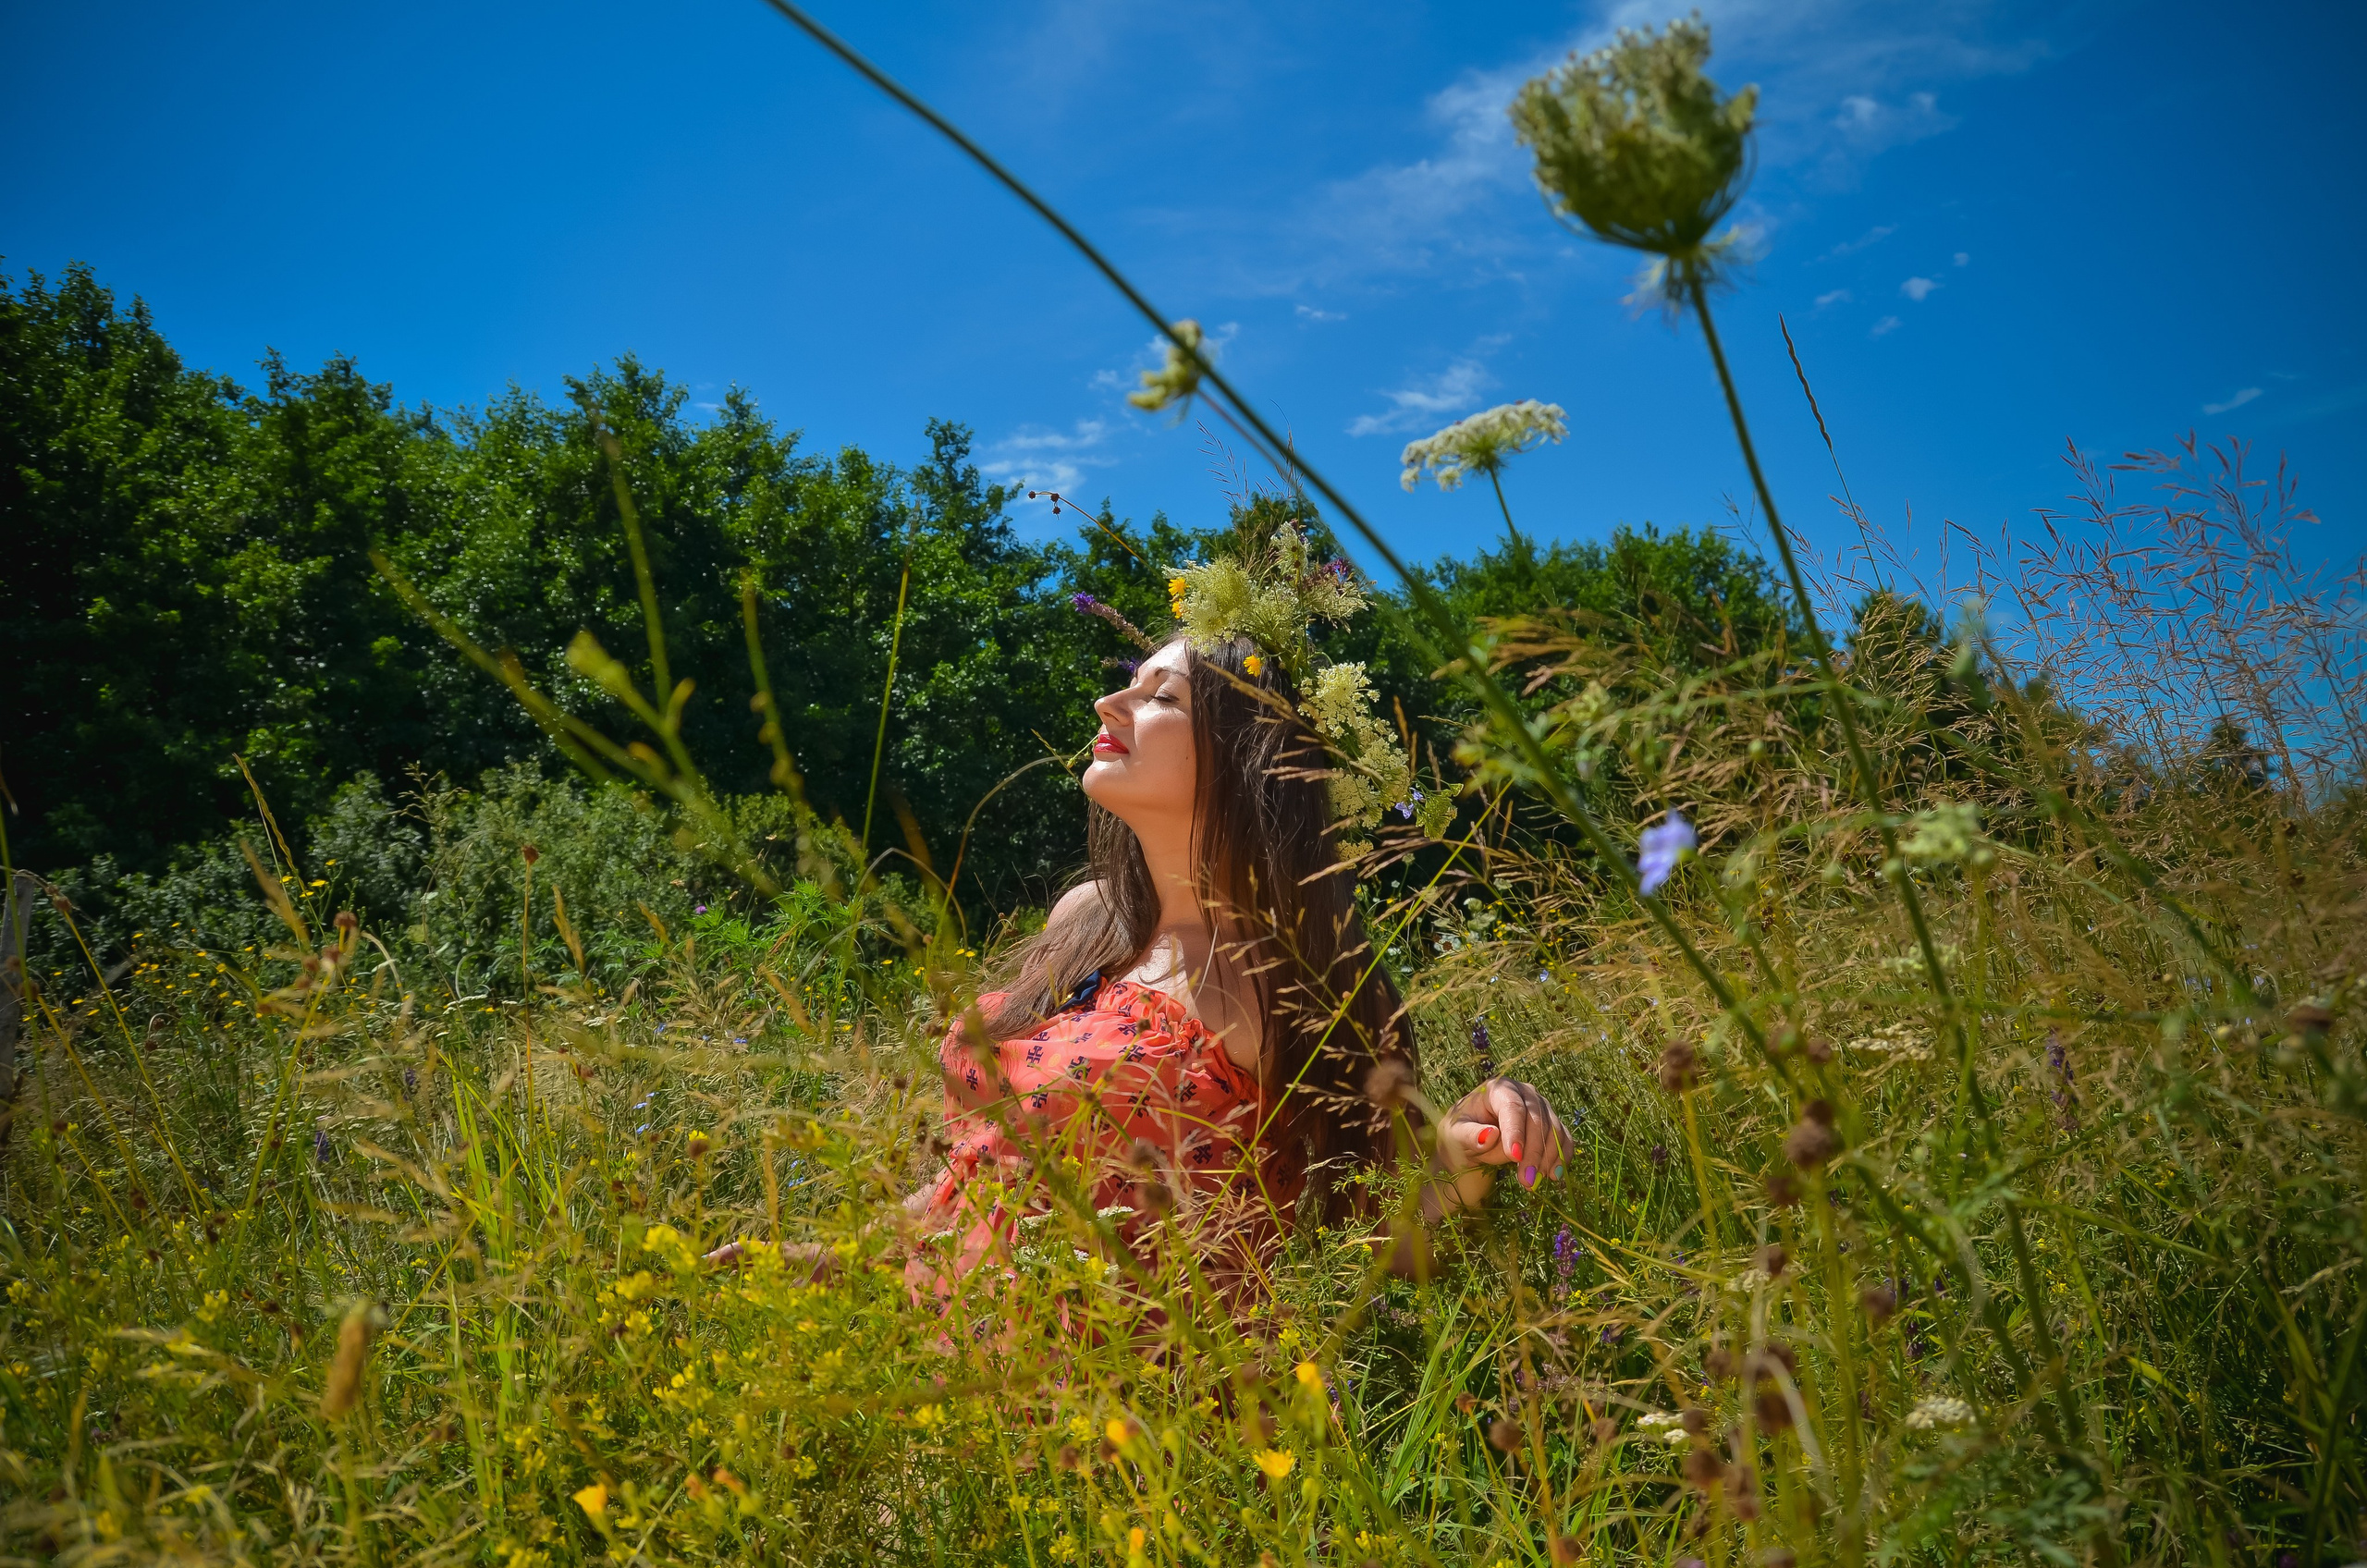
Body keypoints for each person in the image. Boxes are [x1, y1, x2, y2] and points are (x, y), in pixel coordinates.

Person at [905, 630, 1573, 1296]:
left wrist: (1464, 1155)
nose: (1109, 703)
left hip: (1110, 1384)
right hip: (936, 1358)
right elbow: (977, 1165)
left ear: (1249, 750)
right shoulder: (1087, 917)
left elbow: (1373, 1239)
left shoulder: (1292, 983)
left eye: (1161, 695)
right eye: (1129, 684)